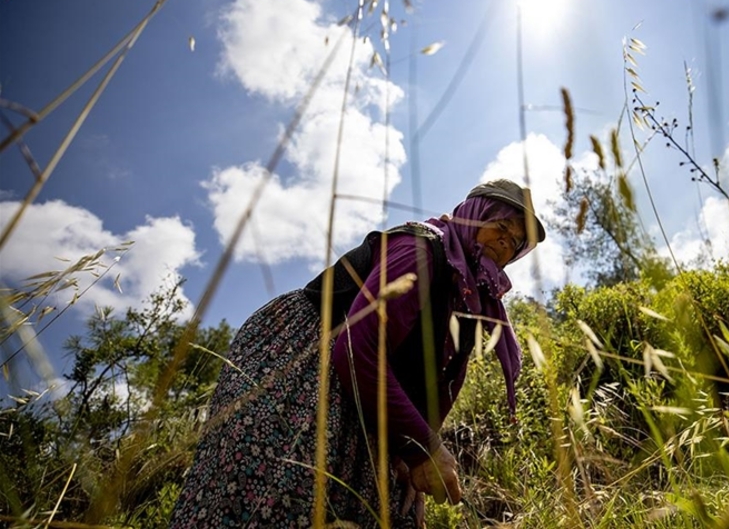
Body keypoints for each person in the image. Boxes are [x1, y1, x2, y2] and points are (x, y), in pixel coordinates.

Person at [169, 179, 546, 528]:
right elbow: (355, 349)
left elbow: (440, 381)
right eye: (501, 226)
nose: (505, 242)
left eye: (516, 242)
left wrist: (411, 452)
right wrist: (424, 449)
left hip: (364, 387)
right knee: (280, 493)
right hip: (303, 362)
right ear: (474, 216)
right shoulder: (422, 249)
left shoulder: (468, 297)